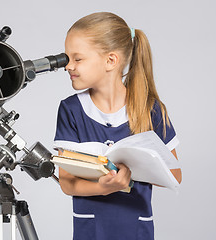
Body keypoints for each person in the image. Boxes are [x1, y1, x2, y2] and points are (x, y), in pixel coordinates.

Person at [54, 12, 182, 240]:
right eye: (67, 58)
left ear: (110, 61)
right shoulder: (71, 110)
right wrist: (104, 188)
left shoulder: (151, 109)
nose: (68, 66)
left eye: (78, 59)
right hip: (90, 231)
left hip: (136, 229)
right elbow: (67, 181)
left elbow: (175, 175)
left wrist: (135, 168)